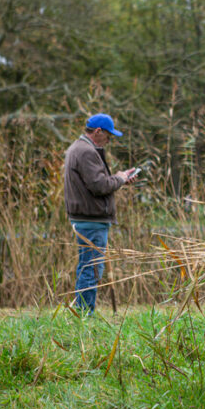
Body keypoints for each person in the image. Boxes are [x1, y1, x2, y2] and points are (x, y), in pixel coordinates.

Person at [63, 113, 137, 314]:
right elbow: (99, 185)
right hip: (92, 221)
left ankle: (82, 312)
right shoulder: (86, 151)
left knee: (87, 266)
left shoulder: (77, 148)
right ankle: (85, 315)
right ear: (98, 131)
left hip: (86, 219)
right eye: (108, 135)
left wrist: (119, 179)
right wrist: (120, 179)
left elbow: (96, 183)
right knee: (92, 269)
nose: (109, 139)